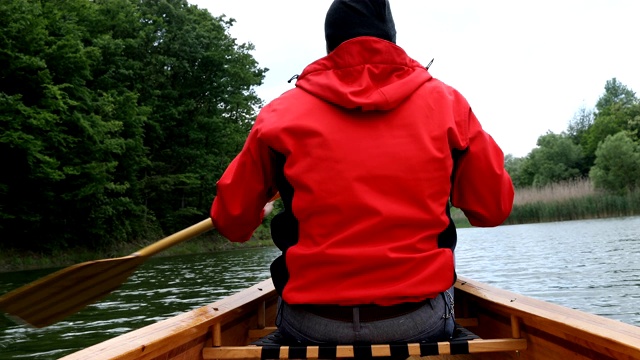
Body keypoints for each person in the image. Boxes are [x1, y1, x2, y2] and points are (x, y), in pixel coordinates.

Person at [210, 0, 514, 345]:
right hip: (415, 321)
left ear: (330, 48)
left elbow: (231, 222)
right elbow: (492, 210)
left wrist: (257, 208)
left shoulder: (279, 115)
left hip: (314, 324)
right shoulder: (447, 104)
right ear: (392, 42)